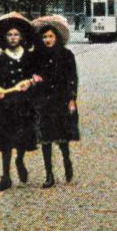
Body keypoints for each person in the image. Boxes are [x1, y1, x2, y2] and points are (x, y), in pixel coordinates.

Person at [0, 16, 38, 190]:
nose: (13, 37)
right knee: (5, 142)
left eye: (16, 34)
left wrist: (30, 82)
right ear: (5, 38)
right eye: (10, 35)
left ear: (21, 37)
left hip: (24, 104)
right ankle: (5, 176)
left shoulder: (29, 57)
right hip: (6, 106)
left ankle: (20, 160)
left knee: (22, 139)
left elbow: (37, 75)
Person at [29, 20, 79, 186]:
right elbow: (28, 74)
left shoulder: (66, 55)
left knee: (62, 136)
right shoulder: (36, 56)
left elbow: (72, 78)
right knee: (45, 138)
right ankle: (49, 174)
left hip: (61, 99)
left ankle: (66, 161)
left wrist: (72, 98)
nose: (47, 40)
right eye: (44, 37)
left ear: (56, 37)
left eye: (50, 36)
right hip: (43, 100)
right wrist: (33, 78)